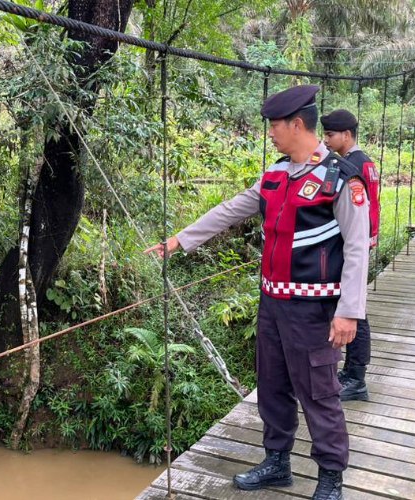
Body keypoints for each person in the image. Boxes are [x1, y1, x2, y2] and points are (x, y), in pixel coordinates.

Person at [145, 85, 369, 500]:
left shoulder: (341, 179)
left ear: (296, 125)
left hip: (314, 308)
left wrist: (349, 311)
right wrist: (179, 241)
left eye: (274, 126)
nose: (270, 133)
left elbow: (357, 247)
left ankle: (331, 477)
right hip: (272, 304)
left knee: (319, 392)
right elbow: (231, 209)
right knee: (272, 384)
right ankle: (276, 462)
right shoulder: (276, 175)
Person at [321, 109, 376, 403]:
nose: (325, 140)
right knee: (352, 307)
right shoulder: (363, 161)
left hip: (351, 245)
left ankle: (356, 377)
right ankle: (350, 372)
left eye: (330, 135)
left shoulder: (350, 165)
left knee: (355, 311)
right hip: (358, 241)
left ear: (347, 134)